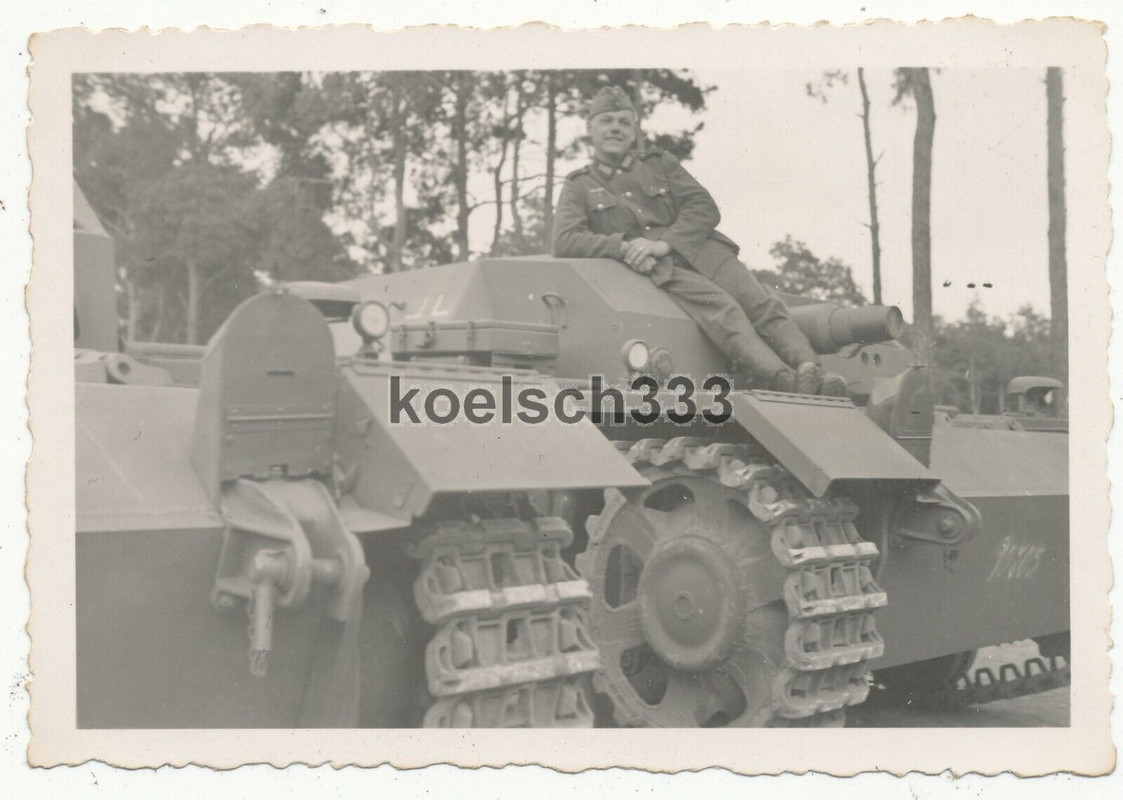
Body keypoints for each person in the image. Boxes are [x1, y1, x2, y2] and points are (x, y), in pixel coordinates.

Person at [551, 85, 847, 396]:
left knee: (762, 302)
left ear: (634, 128)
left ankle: (811, 370)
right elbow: (565, 239)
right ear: (590, 127)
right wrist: (624, 247)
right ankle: (786, 382)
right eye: (607, 121)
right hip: (664, 270)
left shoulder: (659, 164)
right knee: (726, 315)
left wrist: (663, 242)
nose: (615, 129)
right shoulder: (579, 186)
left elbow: (703, 207)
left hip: (702, 250)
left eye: (624, 122)